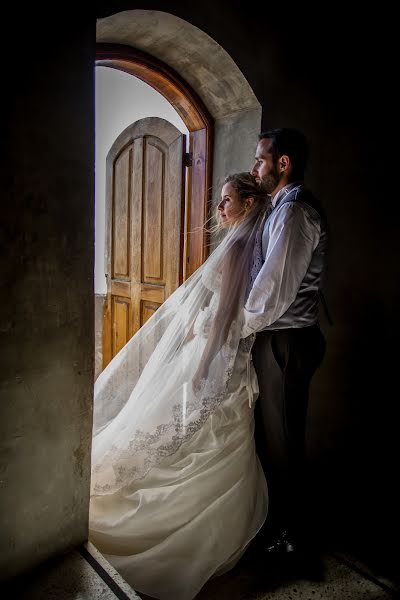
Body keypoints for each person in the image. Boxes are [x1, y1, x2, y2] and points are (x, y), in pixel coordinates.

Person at [89, 173, 269, 600]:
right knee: (186, 432)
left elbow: (225, 312)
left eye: (227, 201)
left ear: (247, 204)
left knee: (193, 430)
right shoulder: (245, 244)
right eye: (220, 201)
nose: (219, 209)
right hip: (216, 350)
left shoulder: (240, 247)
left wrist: (202, 363)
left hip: (215, 354)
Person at [242, 128, 328, 557]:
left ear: (283, 162)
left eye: (261, 159)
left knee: (285, 443)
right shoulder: (280, 209)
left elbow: (273, 289)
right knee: (274, 441)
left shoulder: (294, 213)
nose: (254, 166)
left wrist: (237, 327)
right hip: (279, 339)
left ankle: (298, 542)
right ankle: (282, 528)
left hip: (287, 342)